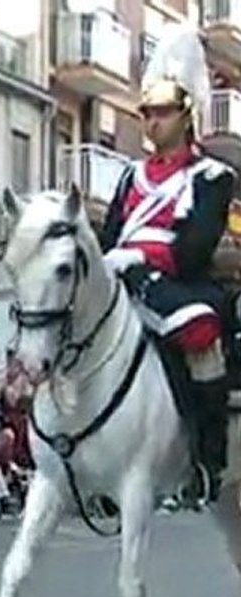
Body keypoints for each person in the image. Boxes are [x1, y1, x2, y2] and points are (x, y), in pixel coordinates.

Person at [100, 26, 234, 501]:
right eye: (147, 113)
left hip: (180, 282)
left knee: (201, 334)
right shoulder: (129, 176)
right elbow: (108, 236)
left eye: (161, 113)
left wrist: (137, 255)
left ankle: (206, 458)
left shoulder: (214, 177)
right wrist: (109, 265)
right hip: (121, 276)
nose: (151, 122)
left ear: (187, 115)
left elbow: (194, 248)